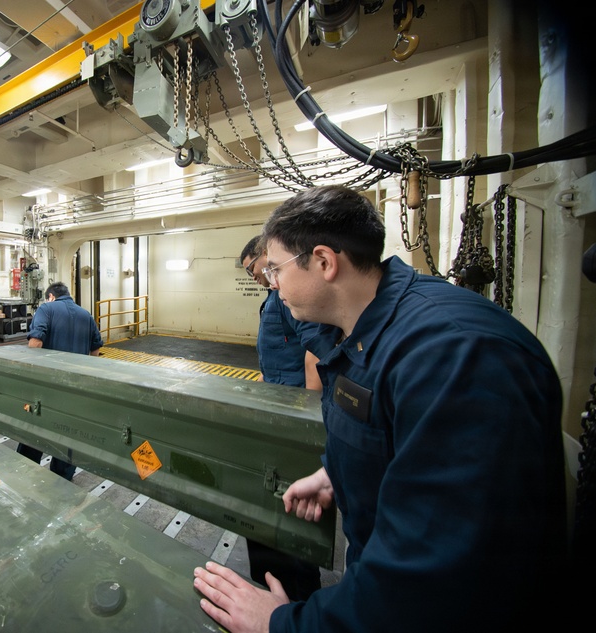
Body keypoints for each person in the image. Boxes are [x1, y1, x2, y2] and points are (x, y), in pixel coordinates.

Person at [193, 186, 567, 632]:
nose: (272, 284)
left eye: (275, 269)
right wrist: (337, 471)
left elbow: (431, 583)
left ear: (325, 262)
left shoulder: (455, 355)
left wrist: (282, 623)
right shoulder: (364, 334)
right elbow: (389, 428)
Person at [238, 235, 325, 602]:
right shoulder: (275, 297)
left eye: (254, 268)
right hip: (277, 404)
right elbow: (279, 353)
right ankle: (274, 586)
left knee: (287, 511)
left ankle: (296, 597)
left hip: (293, 413)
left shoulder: (289, 296)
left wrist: (306, 419)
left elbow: (313, 355)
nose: (255, 276)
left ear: (265, 256)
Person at [16, 282, 103, 481]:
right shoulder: (86, 314)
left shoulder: (46, 308)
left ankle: (27, 469)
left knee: (35, 425)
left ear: (51, 296)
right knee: (68, 430)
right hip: (75, 388)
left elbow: (35, 342)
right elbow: (95, 351)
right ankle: (62, 477)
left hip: (46, 385)